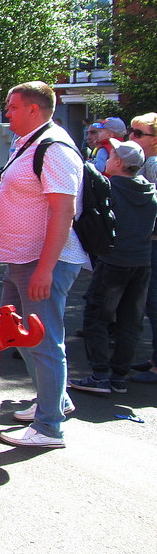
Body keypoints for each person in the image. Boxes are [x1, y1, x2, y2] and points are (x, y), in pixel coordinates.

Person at [0, 81, 87, 449]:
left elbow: (64, 212)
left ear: (34, 109)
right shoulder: (29, 143)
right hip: (21, 259)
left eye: (12, 107)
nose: (7, 113)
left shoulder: (54, 148)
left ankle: (49, 428)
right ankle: (54, 400)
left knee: (44, 341)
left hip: (42, 262)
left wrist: (45, 269)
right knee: (19, 333)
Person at [68, 139, 157, 395]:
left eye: (112, 153)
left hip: (114, 261)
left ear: (118, 162)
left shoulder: (109, 188)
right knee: (131, 320)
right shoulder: (149, 191)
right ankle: (119, 377)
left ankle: (99, 375)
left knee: (97, 317)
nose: (107, 155)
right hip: (141, 262)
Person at [128, 112, 157, 383]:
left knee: (154, 302)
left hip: (153, 242)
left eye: (138, 133)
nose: (131, 137)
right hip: (148, 241)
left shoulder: (154, 164)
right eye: (131, 130)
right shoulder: (148, 162)